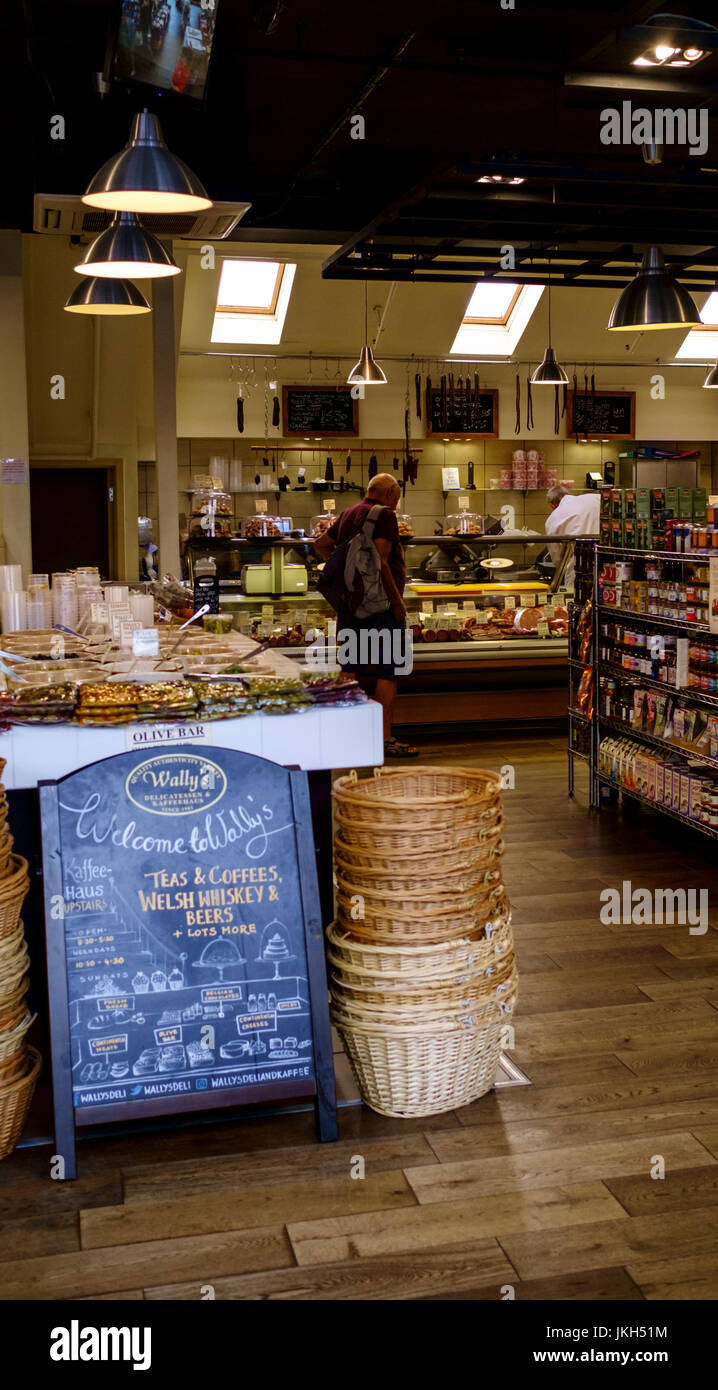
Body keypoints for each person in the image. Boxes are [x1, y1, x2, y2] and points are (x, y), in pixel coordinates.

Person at [314, 473, 418, 759]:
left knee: (350, 670)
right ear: (388, 494)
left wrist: (350, 578)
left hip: (352, 606)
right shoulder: (385, 515)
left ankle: (343, 737)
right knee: (389, 671)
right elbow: (381, 562)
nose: (396, 503)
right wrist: (398, 603)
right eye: (396, 497)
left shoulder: (349, 513)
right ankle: (383, 740)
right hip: (382, 607)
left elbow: (321, 544)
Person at [545, 484, 600, 587]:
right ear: (568, 494)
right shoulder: (595, 498)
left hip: (578, 571)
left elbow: (557, 558)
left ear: (553, 505)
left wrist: (562, 566)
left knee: (579, 600)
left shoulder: (554, 517)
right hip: (607, 566)